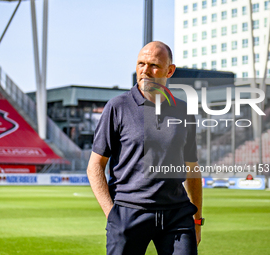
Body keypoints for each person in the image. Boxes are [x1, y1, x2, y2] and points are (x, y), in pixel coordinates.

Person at [87, 41, 203, 255]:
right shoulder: (117, 107)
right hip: (129, 214)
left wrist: (197, 220)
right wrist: (112, 214)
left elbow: (192, 167)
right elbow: (95, 166)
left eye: (154, 65)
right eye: (141, 64)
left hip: (177, 215)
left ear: (170, 70)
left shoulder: (184, 111)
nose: (145, 71)